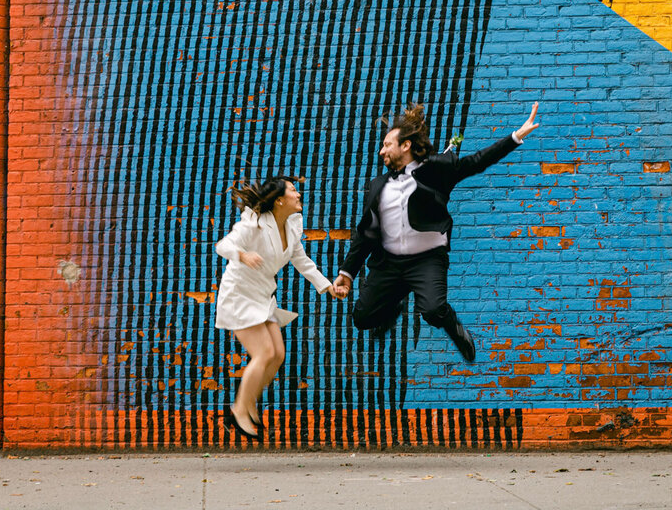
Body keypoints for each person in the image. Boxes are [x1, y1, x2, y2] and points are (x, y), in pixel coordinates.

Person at [332, 102, 540, 362]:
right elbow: (366, 233)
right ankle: (395, 301)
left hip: (426, 259)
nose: (381, 151)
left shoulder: (437, 170)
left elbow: (476, 162)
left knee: (431, 310)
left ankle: (452, 325)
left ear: (405, 146)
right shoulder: (377, 186)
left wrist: (515, 137)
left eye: (387, 144)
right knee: (362, 318)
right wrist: (347, 273)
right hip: (390, 264)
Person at [214, 175, 342, 439]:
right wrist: (242, 254)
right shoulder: (254, 223)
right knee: (263, 353)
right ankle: (238, 410)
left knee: (277, 354)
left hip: (262, 295)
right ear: (280, 199)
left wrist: (327, 286)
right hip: (239, 295)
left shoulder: (291, 225)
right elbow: (223, 245)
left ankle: (248, 402)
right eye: (293, 191)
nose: (298, 195)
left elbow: (301, 260)